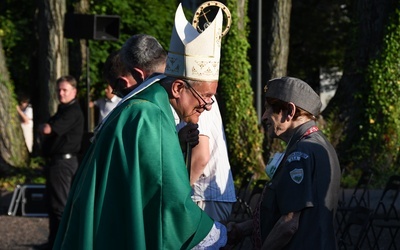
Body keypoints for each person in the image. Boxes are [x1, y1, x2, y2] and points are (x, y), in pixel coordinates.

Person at [54, 4, 227, 249]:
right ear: (178, 89)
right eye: (205, 97)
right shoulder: (149, 115)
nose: (208, 106)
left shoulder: (148, 107)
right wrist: (213, 232)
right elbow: (166, 196)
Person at [226, 77, 341, 249]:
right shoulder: (318, 145)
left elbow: (289, 224)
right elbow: (285, 214)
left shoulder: (301, 153)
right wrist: (242, 230)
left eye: (268, 109)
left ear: (290, 111)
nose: (263, 116)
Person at [37, 75, 84, 250]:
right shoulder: (63, 109)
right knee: (54, 206)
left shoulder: (72, 111)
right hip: (58, 163)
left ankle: (61, 245)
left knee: (60, 208)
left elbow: (48, 129)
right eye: (58, 90)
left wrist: (43, 127)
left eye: (65, 90)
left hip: (63, 164)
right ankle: (55, 243)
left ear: (74, 91)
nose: (61, 93)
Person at [177, 97, 236, 222]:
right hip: (206, 196)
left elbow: (200, 157)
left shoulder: (197, 95)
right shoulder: (198, 92)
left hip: (204, 197)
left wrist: (177, 195)